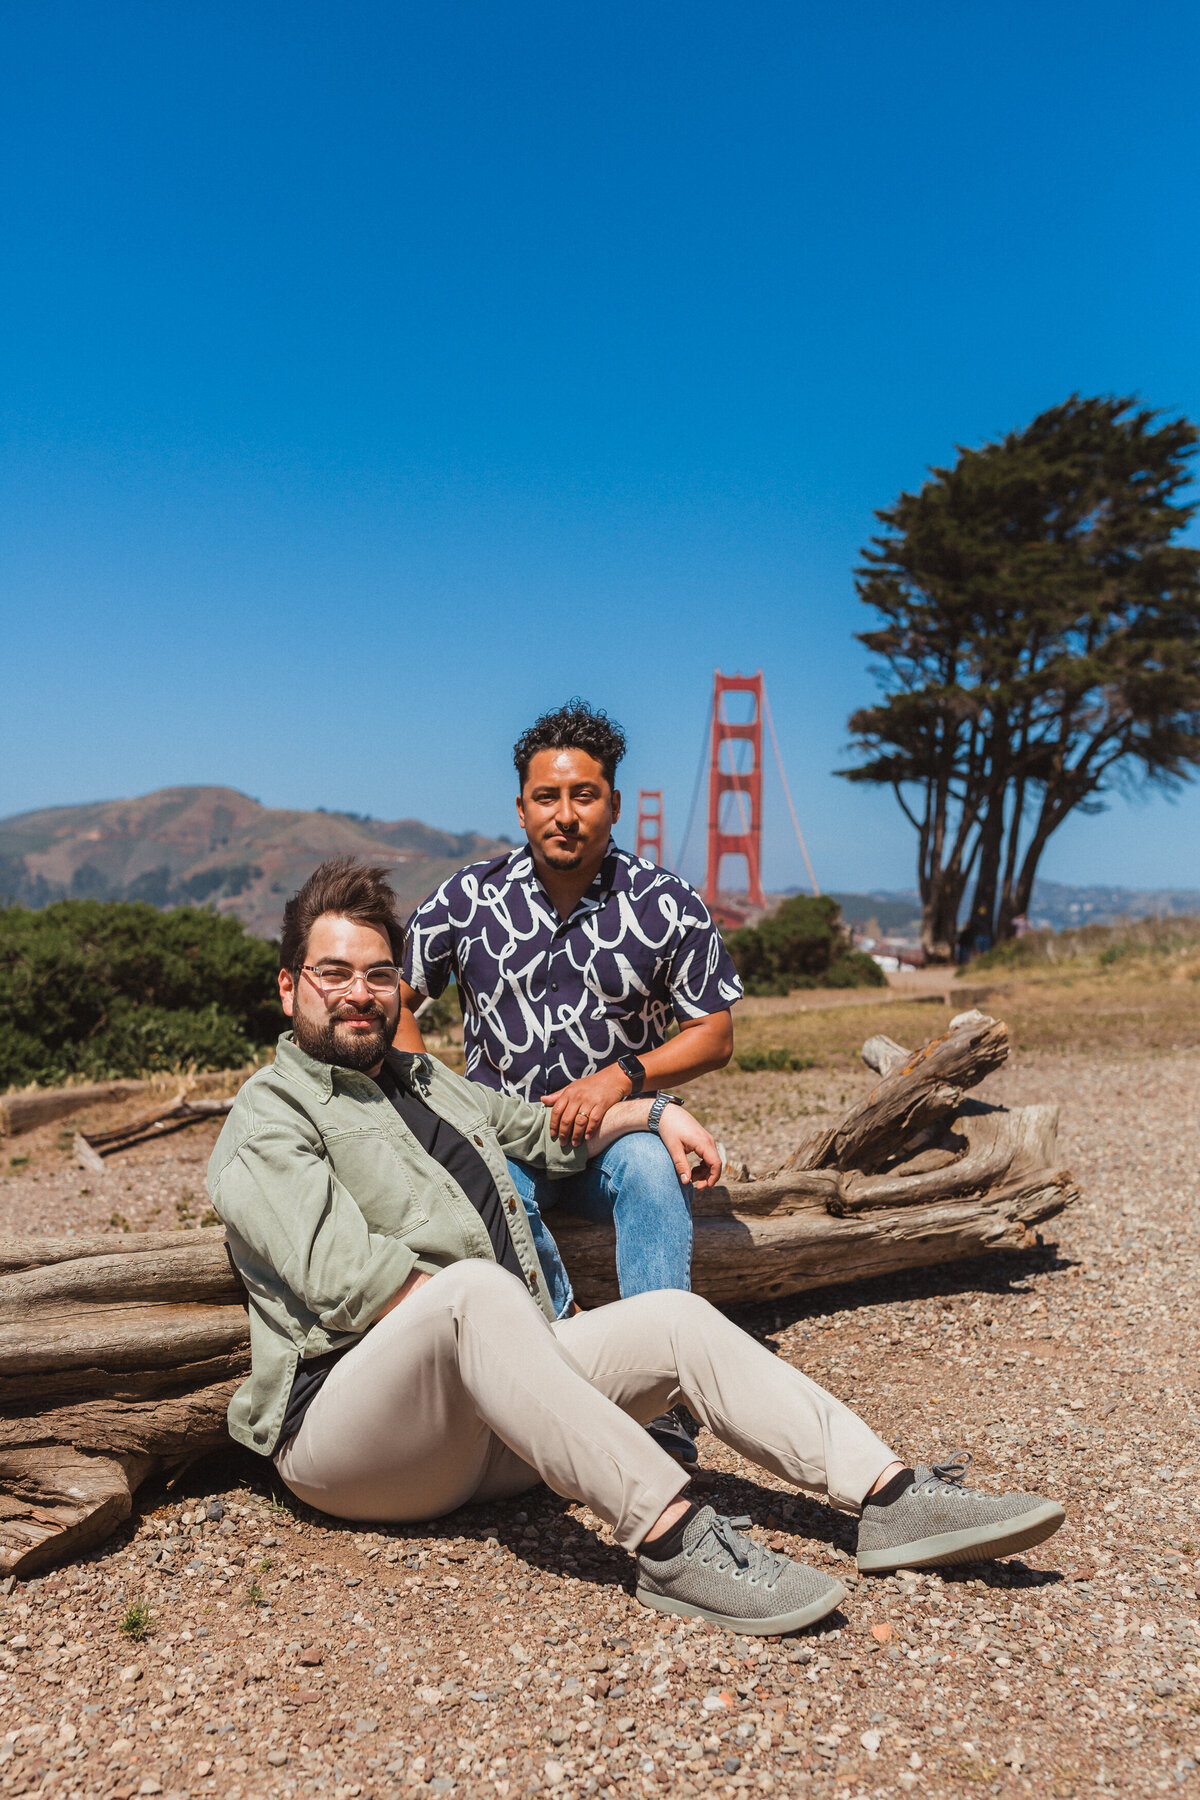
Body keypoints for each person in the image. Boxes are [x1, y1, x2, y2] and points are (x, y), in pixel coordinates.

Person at [207, 857, 1066, 1638]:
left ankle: (890, 1497)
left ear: (401, 988)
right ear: (289, 989)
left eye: (379, 974)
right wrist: (517, 1341)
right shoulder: (269, 1117)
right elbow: (348, 1287)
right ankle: (674, 1537)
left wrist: (655, 1112)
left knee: (671, 1318)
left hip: (489, 1429)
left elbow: (546, 1132)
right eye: (334, 974)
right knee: (472, 1290)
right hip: (356, 1443)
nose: (360, 992)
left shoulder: (429, 1083)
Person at [395, 700, 743, 1462]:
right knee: (493, 1189)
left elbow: (714, 1034)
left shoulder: (666, 902)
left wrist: (621, 1078)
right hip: (504, 1137)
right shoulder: (467, 898)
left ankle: (659, 1399)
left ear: (613, 804)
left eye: (584, 795)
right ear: (520, 808)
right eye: (547, 797)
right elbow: (393, 1003)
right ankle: (569, 1371)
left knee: (653, 1170)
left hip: (615, 1138)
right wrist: (431, 1101)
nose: (566, 814)